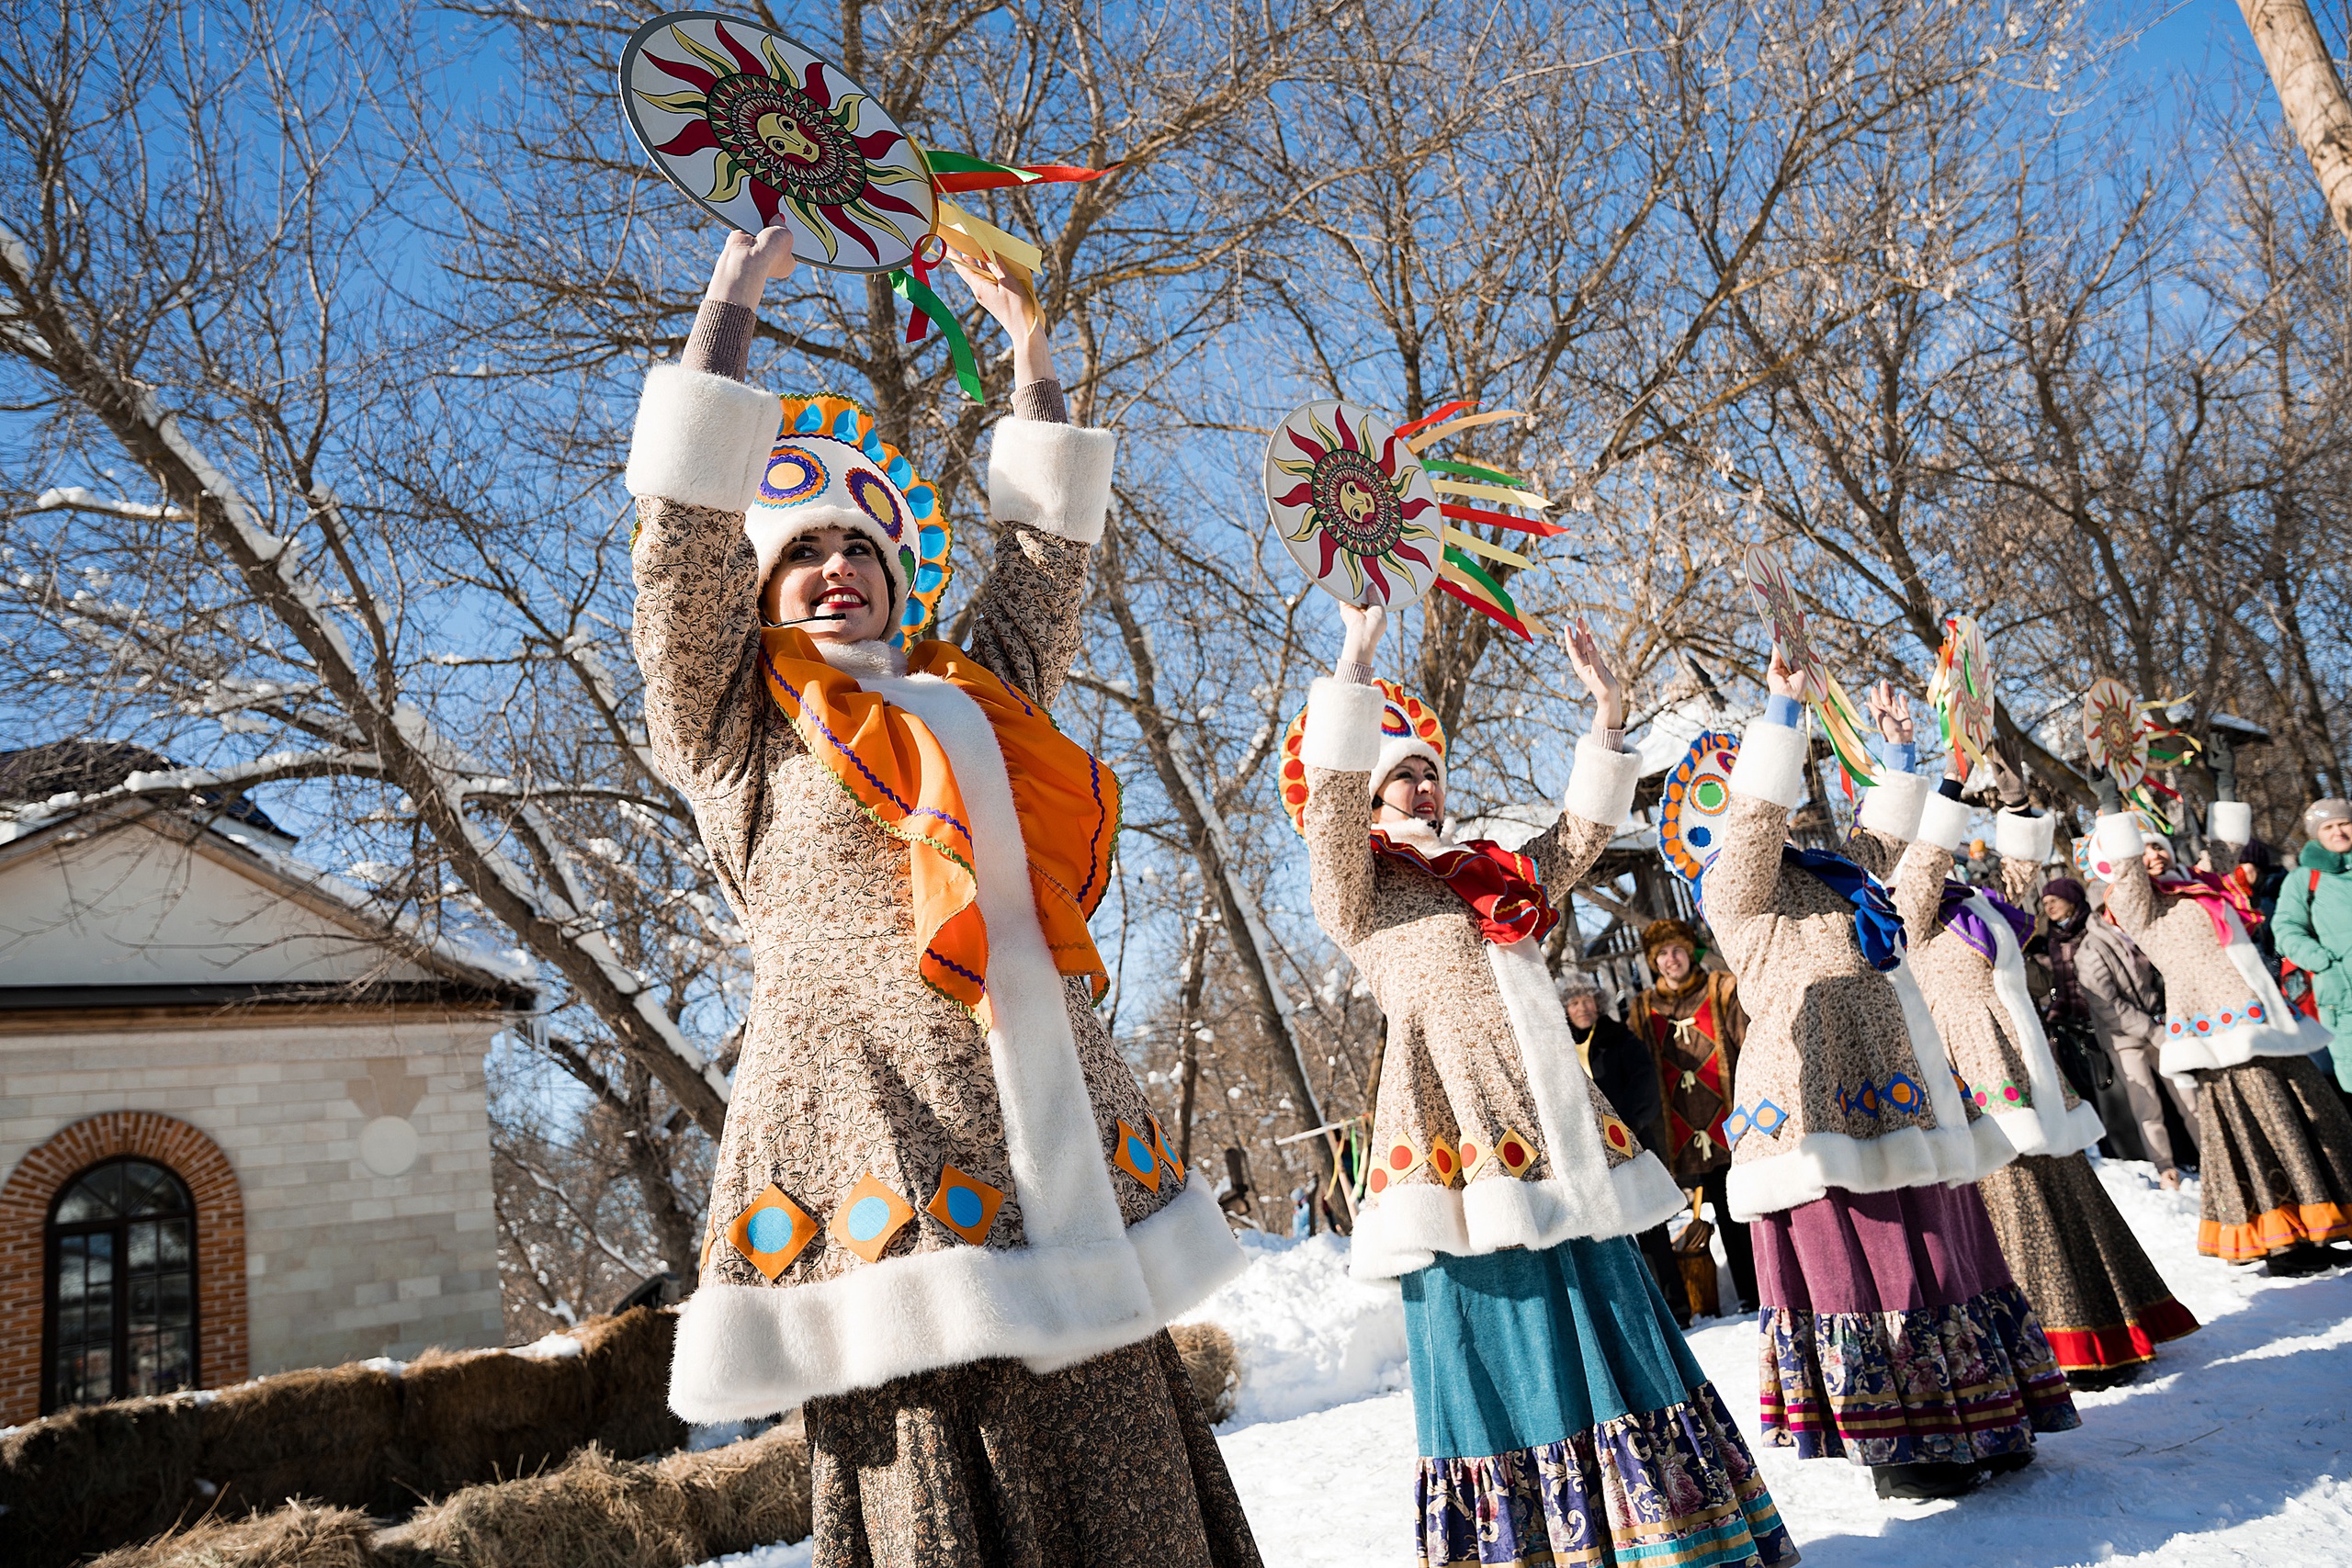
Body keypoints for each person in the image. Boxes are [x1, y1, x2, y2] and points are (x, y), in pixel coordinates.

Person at [628, 227, 1257, 1563]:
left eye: (861, 545)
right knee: (941, 1491)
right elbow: (677, 551)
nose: (837, 566)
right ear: (761, 591)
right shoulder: (736, 724)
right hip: (880, 1151)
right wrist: (730, 306)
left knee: (1122, 1472)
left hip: (1056, 1148)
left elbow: (1043, 560)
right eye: (802, 553)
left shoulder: (975, 693)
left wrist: (1033, 358)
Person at [1297, 602, 1792, 1568]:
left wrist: (1606, 716)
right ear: (1367, 789)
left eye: (1430, 770)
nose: (1424, 785)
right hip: (1456, 1137)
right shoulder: (1359, 887)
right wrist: (1356, 652)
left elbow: (1573, 841)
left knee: (1609, 1318)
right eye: (1402, 772)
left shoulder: (1490, 875)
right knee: (1503, 1333)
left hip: (1557, 1130)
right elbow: (1324, 808)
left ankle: (1672, 1537)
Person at [1710, 655, 2076, 1502]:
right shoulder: (1732, 890)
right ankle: (1900, 1442)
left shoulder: (1844, 883)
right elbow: (1758, 822)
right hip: (1812, 1096)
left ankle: (1983, 1412)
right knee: (1863, 1260)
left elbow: (1910, 878)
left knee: (1944, 1251)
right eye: (1756, 791)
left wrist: (1918, 761)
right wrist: (1782, 708)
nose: (1775, 805)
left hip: (1898, 1084)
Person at [1850, 695, 2197, 1390]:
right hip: (1974, 1074)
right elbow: (1915, 859)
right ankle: (2052, 1349)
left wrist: (2011, 794)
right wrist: (1931, 769)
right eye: (1921, 840)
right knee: (2018, 1206)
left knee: (2067, 1192)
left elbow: (2022, 876)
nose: (1931, 849)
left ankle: (2110, 1323)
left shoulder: (1974, 904)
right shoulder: (1903, 908)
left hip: (2028, 1063)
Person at [2096, 791, 2352, 1275]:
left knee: (2310, 1120)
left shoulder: (2200, 886)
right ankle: (2280, 1243)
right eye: (2144, 848)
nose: (2154, 855)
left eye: (2159, 847)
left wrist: (2227, 792)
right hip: (2220, 1034)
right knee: (2262, 1134)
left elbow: (2226, 853)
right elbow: (2126, 870)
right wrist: (2114, 813)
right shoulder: (2138, 905)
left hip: (2268, 1019)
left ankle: (2322, 1228)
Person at [1626, 918, 1760, 1314]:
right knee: (1677, 1223)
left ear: (1690, 953)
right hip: (1676, 1133)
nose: (1672, 960)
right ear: (1654, 962)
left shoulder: (1720, 990)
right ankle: (1690, 1301)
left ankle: (1755, 1293)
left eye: (1678, 951)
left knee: (1737, 1211)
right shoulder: (1643, 1008)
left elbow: (1748, 1043)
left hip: (1727, 1125)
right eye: (1663, 954)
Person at [1565, 974, 1685, 1322]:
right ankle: (1636, 1308)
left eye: (1588, 1000)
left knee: (1653, 1226)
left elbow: (1645, 1085)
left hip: (1629, 1143)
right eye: (1574, 1003)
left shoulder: (1620, 1039)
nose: (1583, 1008)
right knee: (1611, 1229)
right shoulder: (1560, 1047)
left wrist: (1627, 1128)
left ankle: (1675, 1305)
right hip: (1587, 1153)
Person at [2028, 876, 2161, 1168]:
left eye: (2054, 901)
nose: (2048, 906)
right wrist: (2057, 1013)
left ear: (2072, 901)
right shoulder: (2053, 938)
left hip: (2109, 1016)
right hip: (2080, 1026)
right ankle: (2120, 1150)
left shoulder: (2091, 929)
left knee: (2137, 1092)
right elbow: (2063, 986)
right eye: (2045, 902)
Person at [2277, 797, 2352, 1092]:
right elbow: (2285, 929)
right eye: (2329, 826)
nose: (2338, 832)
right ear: (2316, 834)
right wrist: (2323, 963)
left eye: (2344, 823)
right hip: (2342, 997)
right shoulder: (2304, 879)